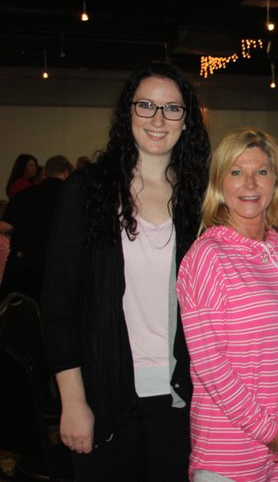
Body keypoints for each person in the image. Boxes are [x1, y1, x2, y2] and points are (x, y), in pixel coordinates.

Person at [40, 62, 211, 481]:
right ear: (127, 113)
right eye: (146, 106)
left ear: (186, 121)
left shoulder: (202, 200)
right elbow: (59, 306)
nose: (157, 119)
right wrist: (73, 401)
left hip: (183, 401)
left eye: (172, 109)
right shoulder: (87, 191)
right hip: (104, 396)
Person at [177, 128, 278, 481]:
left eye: (261, 172)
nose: (250, 184)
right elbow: (210, 365)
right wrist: (269, 432)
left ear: (276, 180)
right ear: (219, 184)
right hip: (231, 452)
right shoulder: (207, 256)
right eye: (236, 172)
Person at [0, 155, 73, 302]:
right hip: (53, 268)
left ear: (45, 172)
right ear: (66, 174)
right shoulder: (70, 198)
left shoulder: (23, 195)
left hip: (21, 266)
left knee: (20, 317)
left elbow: (5, 227)